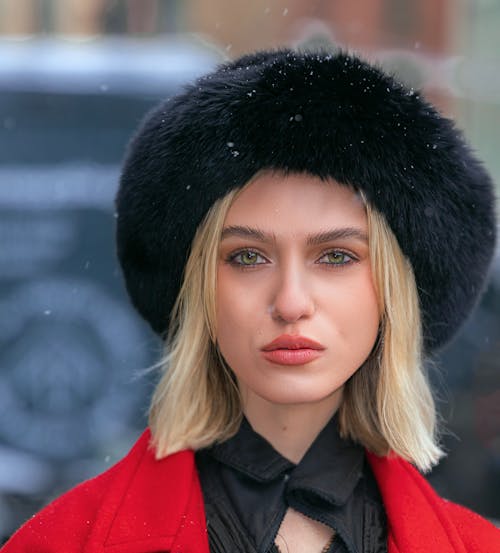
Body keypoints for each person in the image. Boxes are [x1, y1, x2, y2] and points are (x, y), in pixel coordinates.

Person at [4, 48, 499, 552]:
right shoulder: (62, 542)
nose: (290, 302)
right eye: (246, 257)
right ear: (198, 291)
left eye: (335, 257)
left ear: (393, 292)